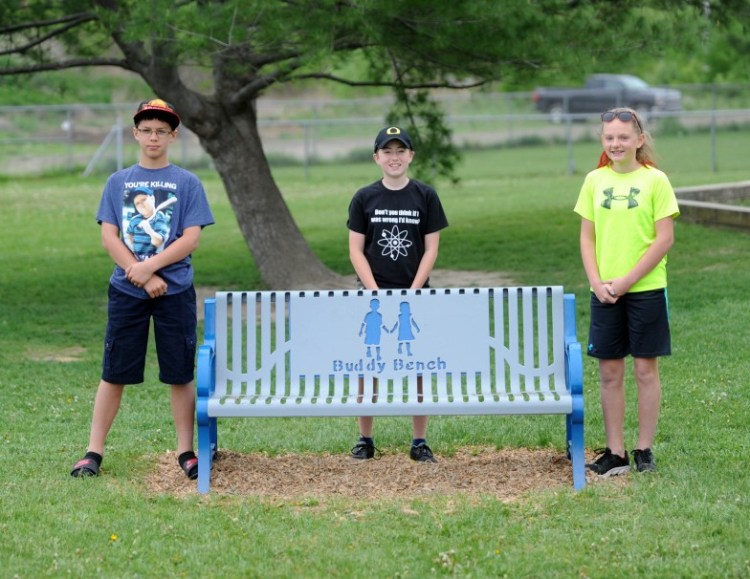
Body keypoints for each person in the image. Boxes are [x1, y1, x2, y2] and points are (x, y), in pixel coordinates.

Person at [70, 99, 214, 480]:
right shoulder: (118, 181)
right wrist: (141, 275)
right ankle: (92, 452)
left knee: (180, 374)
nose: (154, 137)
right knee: (114, 371)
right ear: (136, 133)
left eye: (161, 131)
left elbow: (191, 238)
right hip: (128, 291)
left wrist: (150, 267)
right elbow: (109, 237)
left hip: (176, 289)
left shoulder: (187, 182)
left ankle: (186, 451)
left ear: (173, 136)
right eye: (147, 130)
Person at [574, 107, 679, 476]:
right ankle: (615, 451)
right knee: (609, 373)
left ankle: (644, 450)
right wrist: (598, 281)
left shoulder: (656, 181)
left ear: (639, 139)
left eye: (623, 137)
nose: (616, 143)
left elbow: (664, 239)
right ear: (603, 141)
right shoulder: (594, 181)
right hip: (604, 292)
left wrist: (626, 281)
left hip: (645, 289)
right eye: (609, 138)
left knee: (646, 371)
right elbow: (587, 238)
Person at [347, 126, 449, 463]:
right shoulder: (364, 197)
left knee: (417, 366)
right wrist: (375, 293)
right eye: (387, 151)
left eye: (400, 151)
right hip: (373, 297)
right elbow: (356, 251)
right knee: (369, 366)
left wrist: (412, 292)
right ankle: (365, 439)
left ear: (411, 156)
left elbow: (431, 249)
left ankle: (419, 441)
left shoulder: (425, 196)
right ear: (376, 157)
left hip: (415, 295)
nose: (394, 157)